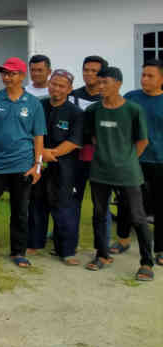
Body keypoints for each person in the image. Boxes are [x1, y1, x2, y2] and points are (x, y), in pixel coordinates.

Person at [0, 57, 45, 268]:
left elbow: (38, 136)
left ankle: (18, 251)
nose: (7, 77)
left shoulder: (33, 103)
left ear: (22, 76)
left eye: (12, 73)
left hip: (22, 164)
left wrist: (37, 165)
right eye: (4, 73)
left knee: (20, 210)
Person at [84, 66, 154, 281]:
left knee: (138, 217)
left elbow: (142, 141)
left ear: (118, 84)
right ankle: (102, 255)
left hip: (128, 173)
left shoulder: (133, 110)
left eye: (105, 83)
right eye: (99, 82)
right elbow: (93, 138)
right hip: (99, 172)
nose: (101, 86)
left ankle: (146, 263)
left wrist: (127, 159)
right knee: (98, 214)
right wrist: (107, 154)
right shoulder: (93, 110)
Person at [26, 70, 83, 265]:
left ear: (69, 89)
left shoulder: (76, 113)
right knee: (36, 203)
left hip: (63, 166)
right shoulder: (38, 106)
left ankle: (66, 250)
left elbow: (75, 141)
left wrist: (52, 153)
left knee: (63, 207)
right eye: (54, 84)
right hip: (39, 164)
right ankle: (34, 242)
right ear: (48, 84)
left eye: (61, 86)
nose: (56, 89)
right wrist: (41, 155)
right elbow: (30, 133)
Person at [116, 61, 163, 266]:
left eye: (150, 76)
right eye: (143, 75)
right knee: (127, 201)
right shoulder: (131, 98)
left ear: (161, 79)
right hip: (134, 159)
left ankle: (160, 249)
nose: (145, 79)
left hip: (160, 161)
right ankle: (123, 239)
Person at [68, 55, 107, 253]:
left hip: (101, 160)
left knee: (101, 205)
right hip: (75, 158)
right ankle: (69, 243)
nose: (89, 74)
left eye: (94, 71)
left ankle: (102, 247)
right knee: (72, 201)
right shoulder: (72, 96)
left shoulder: (108, 100)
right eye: (86, 70)